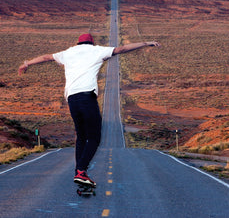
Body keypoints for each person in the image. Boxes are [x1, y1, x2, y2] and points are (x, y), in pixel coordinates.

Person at [18, 33, 160, 187]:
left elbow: (46, 57)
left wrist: (27, 63)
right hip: (87, 97)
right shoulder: (97, 51)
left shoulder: (68, 53)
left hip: (72, 99)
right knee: (94, 137)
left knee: (81, 136)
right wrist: (146, 43)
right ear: (92, 43)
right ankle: (81, 171)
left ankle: (79, 173)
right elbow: (123, 48)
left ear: (78, 42)